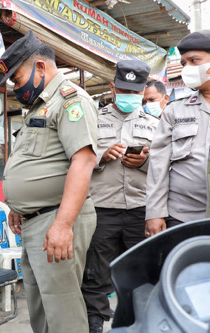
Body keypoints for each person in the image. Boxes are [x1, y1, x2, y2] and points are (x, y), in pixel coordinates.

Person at [0, 30, 98, 333]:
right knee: (41, 309)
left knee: (62, 313)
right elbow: (39, 162)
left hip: (57, 219)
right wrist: (20, 206)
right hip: (36, 221)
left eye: (17, 79)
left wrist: (63, 225)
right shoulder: (39, 107)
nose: (16, 87)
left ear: (40, 67)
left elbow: (83, 162)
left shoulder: (70, 101)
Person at [81, 60, 159, 333]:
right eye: (125, 90)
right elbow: (78, 162)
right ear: (113, 88)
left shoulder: (155, 124)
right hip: (102, 210)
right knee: (95, 277)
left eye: (136, 93)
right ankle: (95, 326)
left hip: (141, 210)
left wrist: (144, 163)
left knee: (142, 276)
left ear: (143, 91)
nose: (131, 97)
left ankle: (137, 326)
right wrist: (102, 157)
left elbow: (166, 167)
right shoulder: (94, 120)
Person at [146, 30, 210, 235]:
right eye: (184, 64)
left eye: (194, 60)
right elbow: (158, 164)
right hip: (182, 215)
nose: (188, 69)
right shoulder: (175, 110)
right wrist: (154, 212)